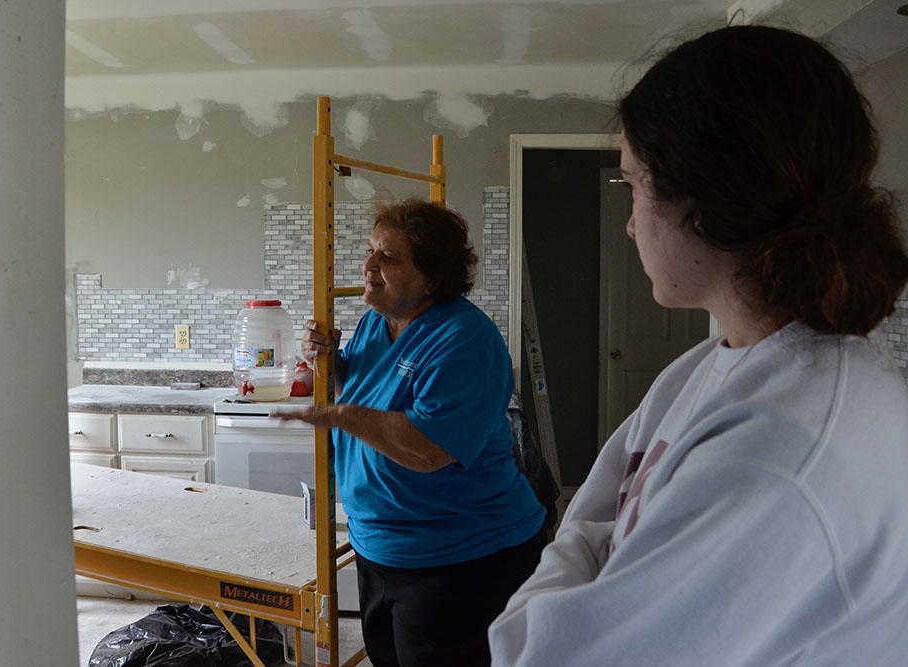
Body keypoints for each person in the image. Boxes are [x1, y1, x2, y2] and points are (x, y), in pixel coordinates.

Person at [489, 25, 908, 666]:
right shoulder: (706, 369)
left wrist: (573, 572)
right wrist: (587, 558)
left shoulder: (780, 457)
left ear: (706, 202)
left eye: (633, 185)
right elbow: (596, 521)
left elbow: (538, 653)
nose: (628, 224)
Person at [278, 199, 548, 667]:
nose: (368, 266)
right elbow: (370, 390)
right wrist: (331, 361)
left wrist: (340, 415)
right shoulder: (374, 323)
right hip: (380, 549)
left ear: (432, 276)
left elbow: (429, 448)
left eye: (389, 257)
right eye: (370, 251)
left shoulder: (465, 338)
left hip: (460, 560)